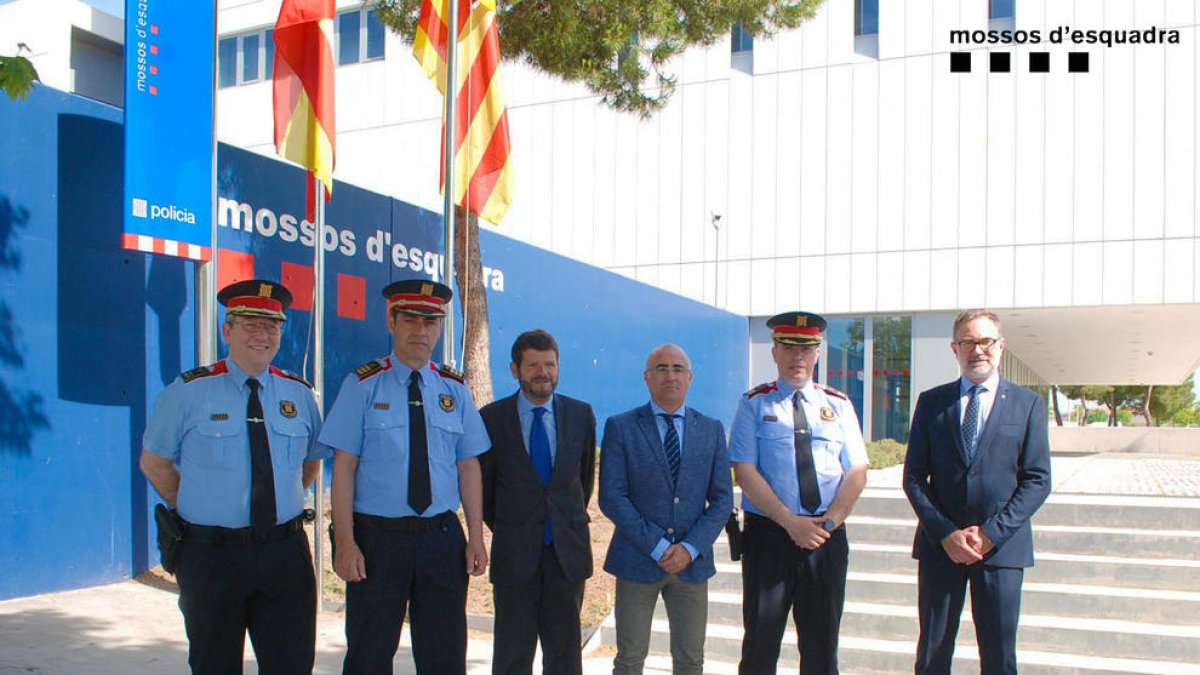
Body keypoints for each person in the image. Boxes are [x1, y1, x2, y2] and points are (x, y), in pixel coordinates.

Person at [140, 279, 327, 675]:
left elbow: (310, 463)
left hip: (284, 553)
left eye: (272, 326)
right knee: (214, 664)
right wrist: (195, 503)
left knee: (291, 665)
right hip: (212, 555)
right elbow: (154, 463)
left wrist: (282, 501)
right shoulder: (188, 392)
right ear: (228, 331)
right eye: (250, 325)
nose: (262, 335)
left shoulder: (300, 395)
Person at [320, 279, 490, 675]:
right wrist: (344, 541)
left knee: (445, 656)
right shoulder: (362, 385)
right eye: (411, 319)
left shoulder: (455, 389)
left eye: (431, 322)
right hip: (378, 541)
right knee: (369, 654)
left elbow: (469, 467)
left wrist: (477, 537)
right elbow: (343, 468)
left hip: (441, 540)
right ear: (391, 321)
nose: (421, 330)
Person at [902, 309, 1052, 675]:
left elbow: (1037, 479)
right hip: (942, 549)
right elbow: (914, 477)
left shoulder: (1027, 404)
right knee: (933, 653)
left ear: (1000, 345)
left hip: (1001, 550)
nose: (977, 350)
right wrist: (947, 534)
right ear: (954, 348)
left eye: (985, 341)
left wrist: (990, 535)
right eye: (967, 341)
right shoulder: (932, 402)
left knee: (999, 656)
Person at [730, 311, 869, 675]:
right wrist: (791, 523)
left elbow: (856, 470)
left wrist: (830, 522)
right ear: (774, 351)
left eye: (806, 349)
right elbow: (745, 471)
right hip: (770, 538)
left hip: (826, 537)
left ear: (818, 353)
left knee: (822, 650)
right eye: (789, 348)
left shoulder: (839, 405)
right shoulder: (754, 404)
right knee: (760, 647)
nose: (798, 358)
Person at [599, 344, 733, 675]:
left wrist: (689, 548)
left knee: (690, 660)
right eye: (661, 368)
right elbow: (612, 496)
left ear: (690, 378)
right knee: (629, 659)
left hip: (691, 565)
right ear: (647, 378)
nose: (669, 375)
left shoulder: (712, 430)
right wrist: (658, 545)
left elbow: (722, 500)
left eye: (677, 368)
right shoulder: (622, 427)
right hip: (637, 560)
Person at [479, 329, 598, 675]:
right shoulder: (491, 418)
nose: (542, 372)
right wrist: (517, 526)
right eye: (533, 365)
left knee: (564, 656)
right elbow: (486, 493)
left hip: (567, 556)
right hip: (515, 554)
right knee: (512, 655)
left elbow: (583, 480)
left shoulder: (580, 415)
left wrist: (559, 520)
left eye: (549, 364)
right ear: (515, 369)